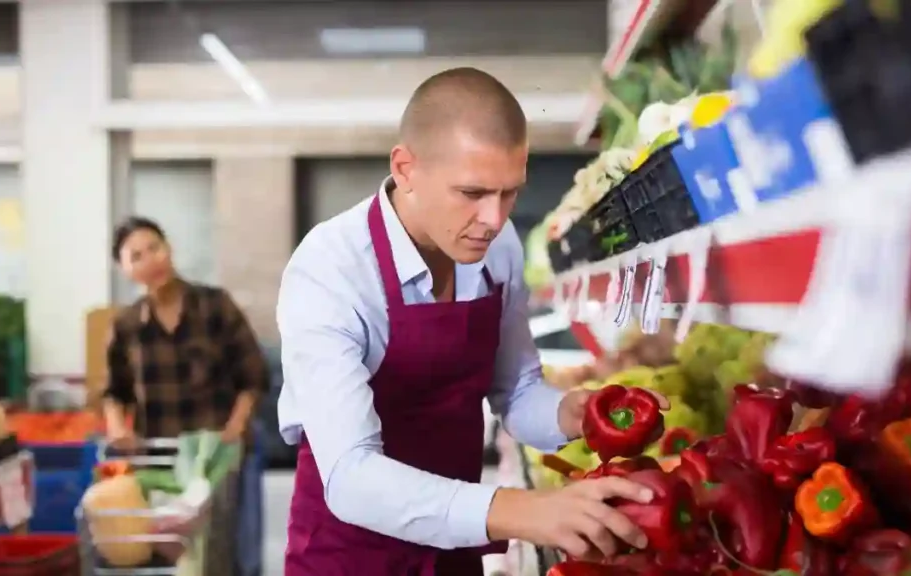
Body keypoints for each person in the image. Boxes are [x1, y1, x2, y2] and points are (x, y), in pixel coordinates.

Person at [276, 67, 670, 576]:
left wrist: (576, 414)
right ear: (406, 169)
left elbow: (517, 391)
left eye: (510, 193)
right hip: (350, 555)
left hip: (455, 547)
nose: (495, 219)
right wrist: (522, 510)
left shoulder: (496, 250)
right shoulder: (331, 269)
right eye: (472, 193)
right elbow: (351, 476)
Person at [103, 216, 268, 576]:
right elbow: (115, 392)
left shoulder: (215, 306)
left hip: (222, 459)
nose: (152, 260)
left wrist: (236, 427)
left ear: (169, 248)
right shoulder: (127, 326)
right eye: (137, 256)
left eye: (155, 248)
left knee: (230, 558)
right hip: (163, 462)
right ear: (124, 269)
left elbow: (253, 376)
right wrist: (117, 426)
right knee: (174, 559)